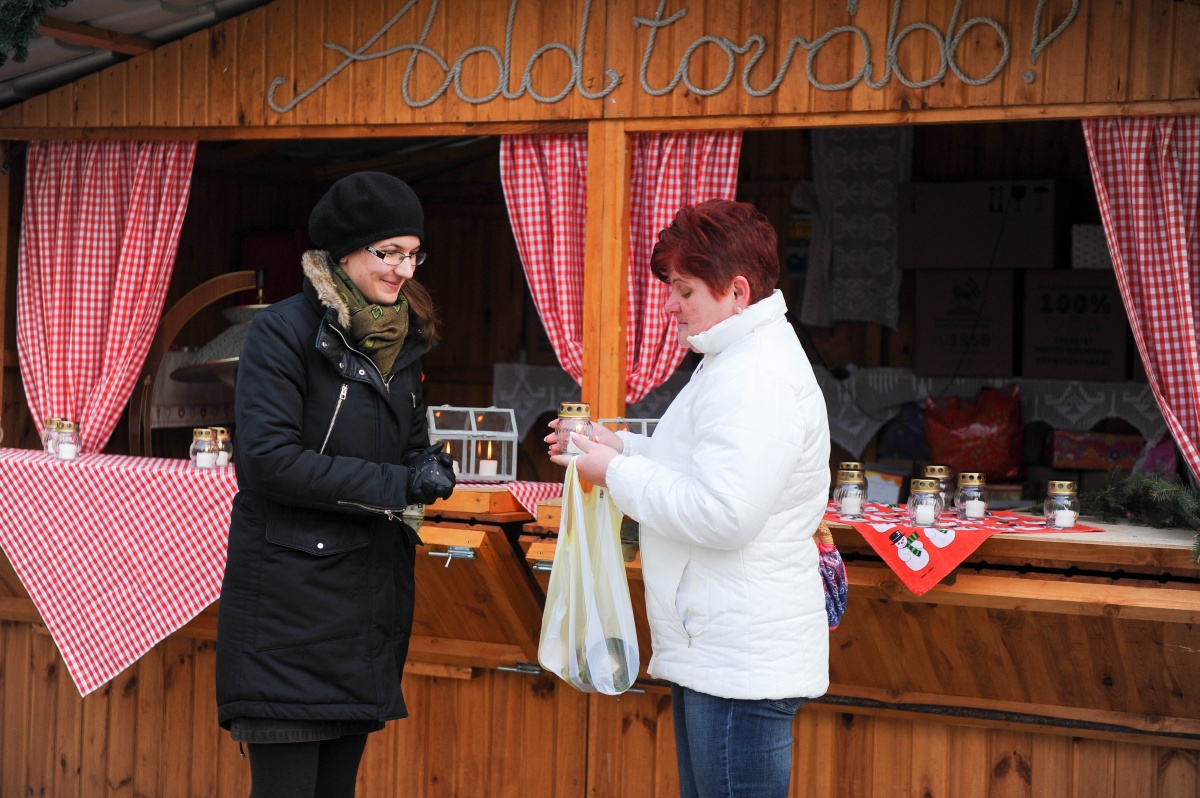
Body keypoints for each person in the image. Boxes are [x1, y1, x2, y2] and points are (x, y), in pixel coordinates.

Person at [548, 199, 831, 798]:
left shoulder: (755, 375)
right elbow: (701, 469)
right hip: (725, 648)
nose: (670, 304)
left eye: (684, 290)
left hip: (739, 659)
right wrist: (619, 448)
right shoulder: (736, 358)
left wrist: (614, 473)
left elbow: (724, 513)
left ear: (737, 291)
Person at [216, 171, 456, 798]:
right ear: (345, 252)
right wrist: (398, 481)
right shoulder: (283, 332)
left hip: (364, 608)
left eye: (413, 254)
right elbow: (268, 462)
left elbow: (407, 442)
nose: (404, 270)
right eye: (389, 252)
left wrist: (427, 463)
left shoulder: (404, 339)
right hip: (288, 608)